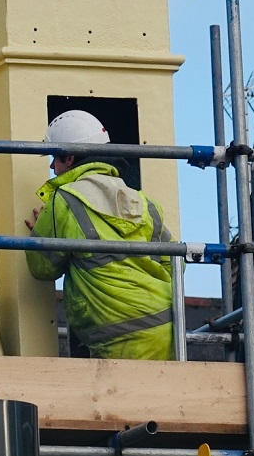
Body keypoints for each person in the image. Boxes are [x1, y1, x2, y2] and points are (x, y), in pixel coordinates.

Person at [24, 109, 175, 360]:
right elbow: (174, 266)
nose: (52, 166)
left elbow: (41, 268)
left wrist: (43, 231)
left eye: (55, 158)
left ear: (70, 157)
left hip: (116, 337)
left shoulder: (64, 201)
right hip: (165, 331)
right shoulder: (146, 204)